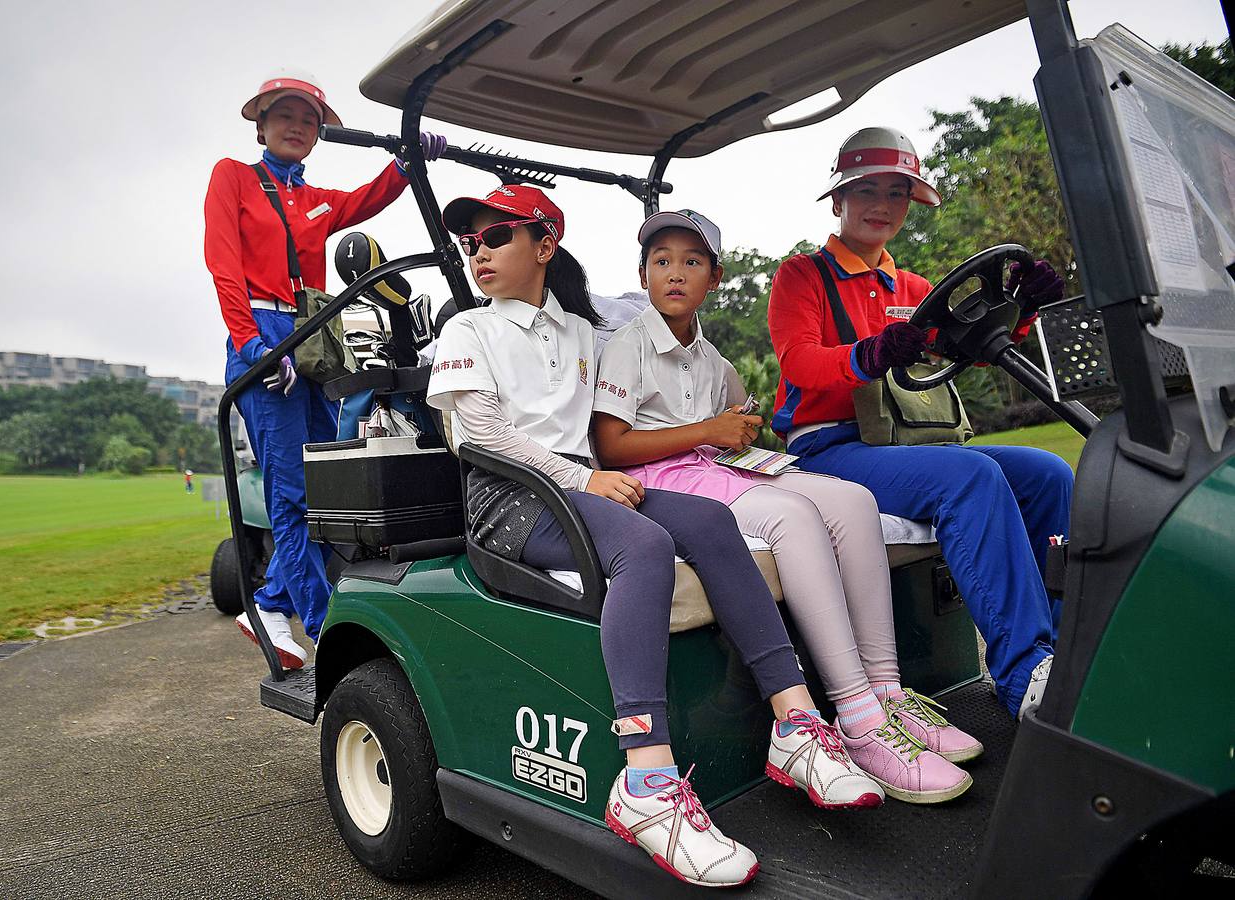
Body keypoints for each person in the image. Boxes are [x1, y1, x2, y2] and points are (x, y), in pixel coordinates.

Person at [428, 186, 883, 888]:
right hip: (511, 502)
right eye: (470, 243)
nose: (477, 253)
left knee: (707, 519)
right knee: (640, 546)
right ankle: (645, 782)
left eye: (496, 238)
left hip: (579, 488)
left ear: (545, 246)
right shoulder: (468, 330)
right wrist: (581, 481)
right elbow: (482, 435)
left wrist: (719, 412)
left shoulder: (584, 332)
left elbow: (654, 345)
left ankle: (794, 721)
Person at [593, 209, 980, 804]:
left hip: (710, 466)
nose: (675, 274)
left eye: (692, 262)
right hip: (658, 478)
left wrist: (739, 430)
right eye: (661, 261)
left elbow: (739, 416)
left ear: (715, 278)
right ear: (642, 274)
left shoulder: (709, 356)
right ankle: (857, 718)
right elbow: (610, 446)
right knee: (793, 517)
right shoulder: (627, 346)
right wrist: (711, 430)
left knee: (853, 501)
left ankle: (888, 694)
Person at [766, 127, 1073, 718]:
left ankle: (1064, 648)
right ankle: (1024, 673)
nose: (882, 205)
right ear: (838, 200)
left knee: (1047, 472)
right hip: (828, 448)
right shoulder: (803, 276)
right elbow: (799, 361)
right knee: (969, 477)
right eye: (868, 191)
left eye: (897, 194)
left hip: (901, 442)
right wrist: (870, 353)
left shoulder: (913, 289)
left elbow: (976, 347)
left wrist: (1023, 308)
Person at [204, 69, 445, 669]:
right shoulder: (232, 177)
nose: (297, 126)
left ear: (317, 135)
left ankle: (268, 603)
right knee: (289, 490)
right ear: (261, 124)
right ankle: (320, 620)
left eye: (308, 119)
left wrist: (410, 164)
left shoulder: (312, 201)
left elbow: (366, 199)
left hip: (312, 338)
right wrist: (255, 345)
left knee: (324, 486)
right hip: (262, 339)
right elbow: (223, 265)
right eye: (285, 115)